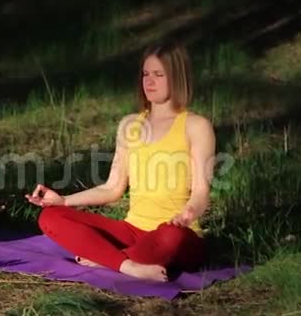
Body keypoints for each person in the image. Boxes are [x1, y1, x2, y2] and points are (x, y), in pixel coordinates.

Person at [26, 43, 215, 282]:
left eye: (159, 74)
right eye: (146, 74)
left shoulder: (196, 126)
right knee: (51, 217)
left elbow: (201, 191)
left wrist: (187, 215)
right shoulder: (130, 125)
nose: (149, 81)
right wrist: (63, 200)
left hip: (176, 234)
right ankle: (129, 265)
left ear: (178, 77)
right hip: (132, 231)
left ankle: (106, 259)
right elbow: (113, 188)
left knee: (170, 236)